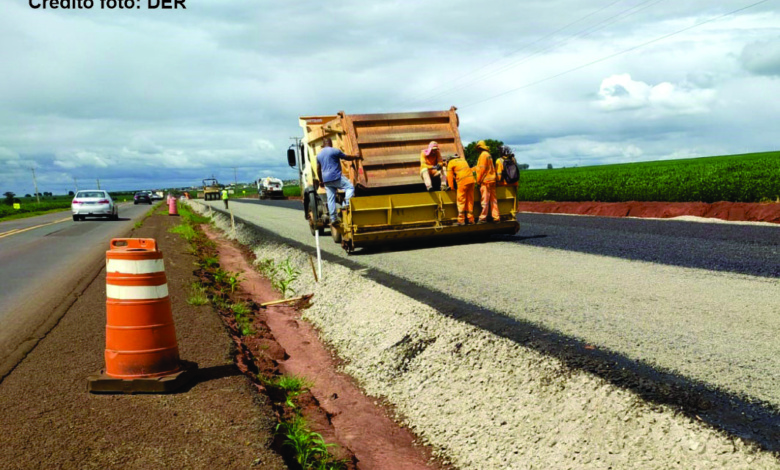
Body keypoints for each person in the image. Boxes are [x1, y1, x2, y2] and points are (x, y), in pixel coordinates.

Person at [315, 137, 362, 225]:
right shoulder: (335, 151)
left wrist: (321, 180)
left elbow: (318, 169)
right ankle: (346, 204)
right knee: (350, 187)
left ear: (324, 145)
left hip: (326, 180)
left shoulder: (319, 155)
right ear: (330, 143)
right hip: (336, 177)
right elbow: (346, 157)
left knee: (331, 199)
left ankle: (333, 218)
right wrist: (356, 156)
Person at [473, 140, 500, 223]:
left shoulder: (483, 155)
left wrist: (478, 181)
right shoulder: (488, 154)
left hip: (486, 181)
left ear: (479, 148)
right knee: (493, 200)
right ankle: (496, 217)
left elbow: (482, 169)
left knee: (484, 200)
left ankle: (483, 217)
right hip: (492, 180)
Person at [446, 153, 476, 225]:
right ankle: (471, 219)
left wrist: (451, 187)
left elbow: (449, 176)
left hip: (462, 182)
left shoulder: (451, 162)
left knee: (461, 200)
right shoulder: (463, 160)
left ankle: (461, 220)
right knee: (470, 200)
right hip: (471, 180)